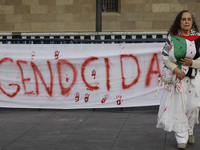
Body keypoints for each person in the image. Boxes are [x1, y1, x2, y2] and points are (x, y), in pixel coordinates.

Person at [156, 10, 200, 150]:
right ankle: (182, 139)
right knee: (178, 108)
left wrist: (192, 63)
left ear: (192, 21)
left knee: (193, 106)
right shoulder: (172, 37)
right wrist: (176, 70)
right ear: (179, 22)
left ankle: (189, 130)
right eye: (183, 19)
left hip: (193, 80)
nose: (186, 21)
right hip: (177, 80)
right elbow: (164, 57)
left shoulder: (198, 38)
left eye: (189, 19)